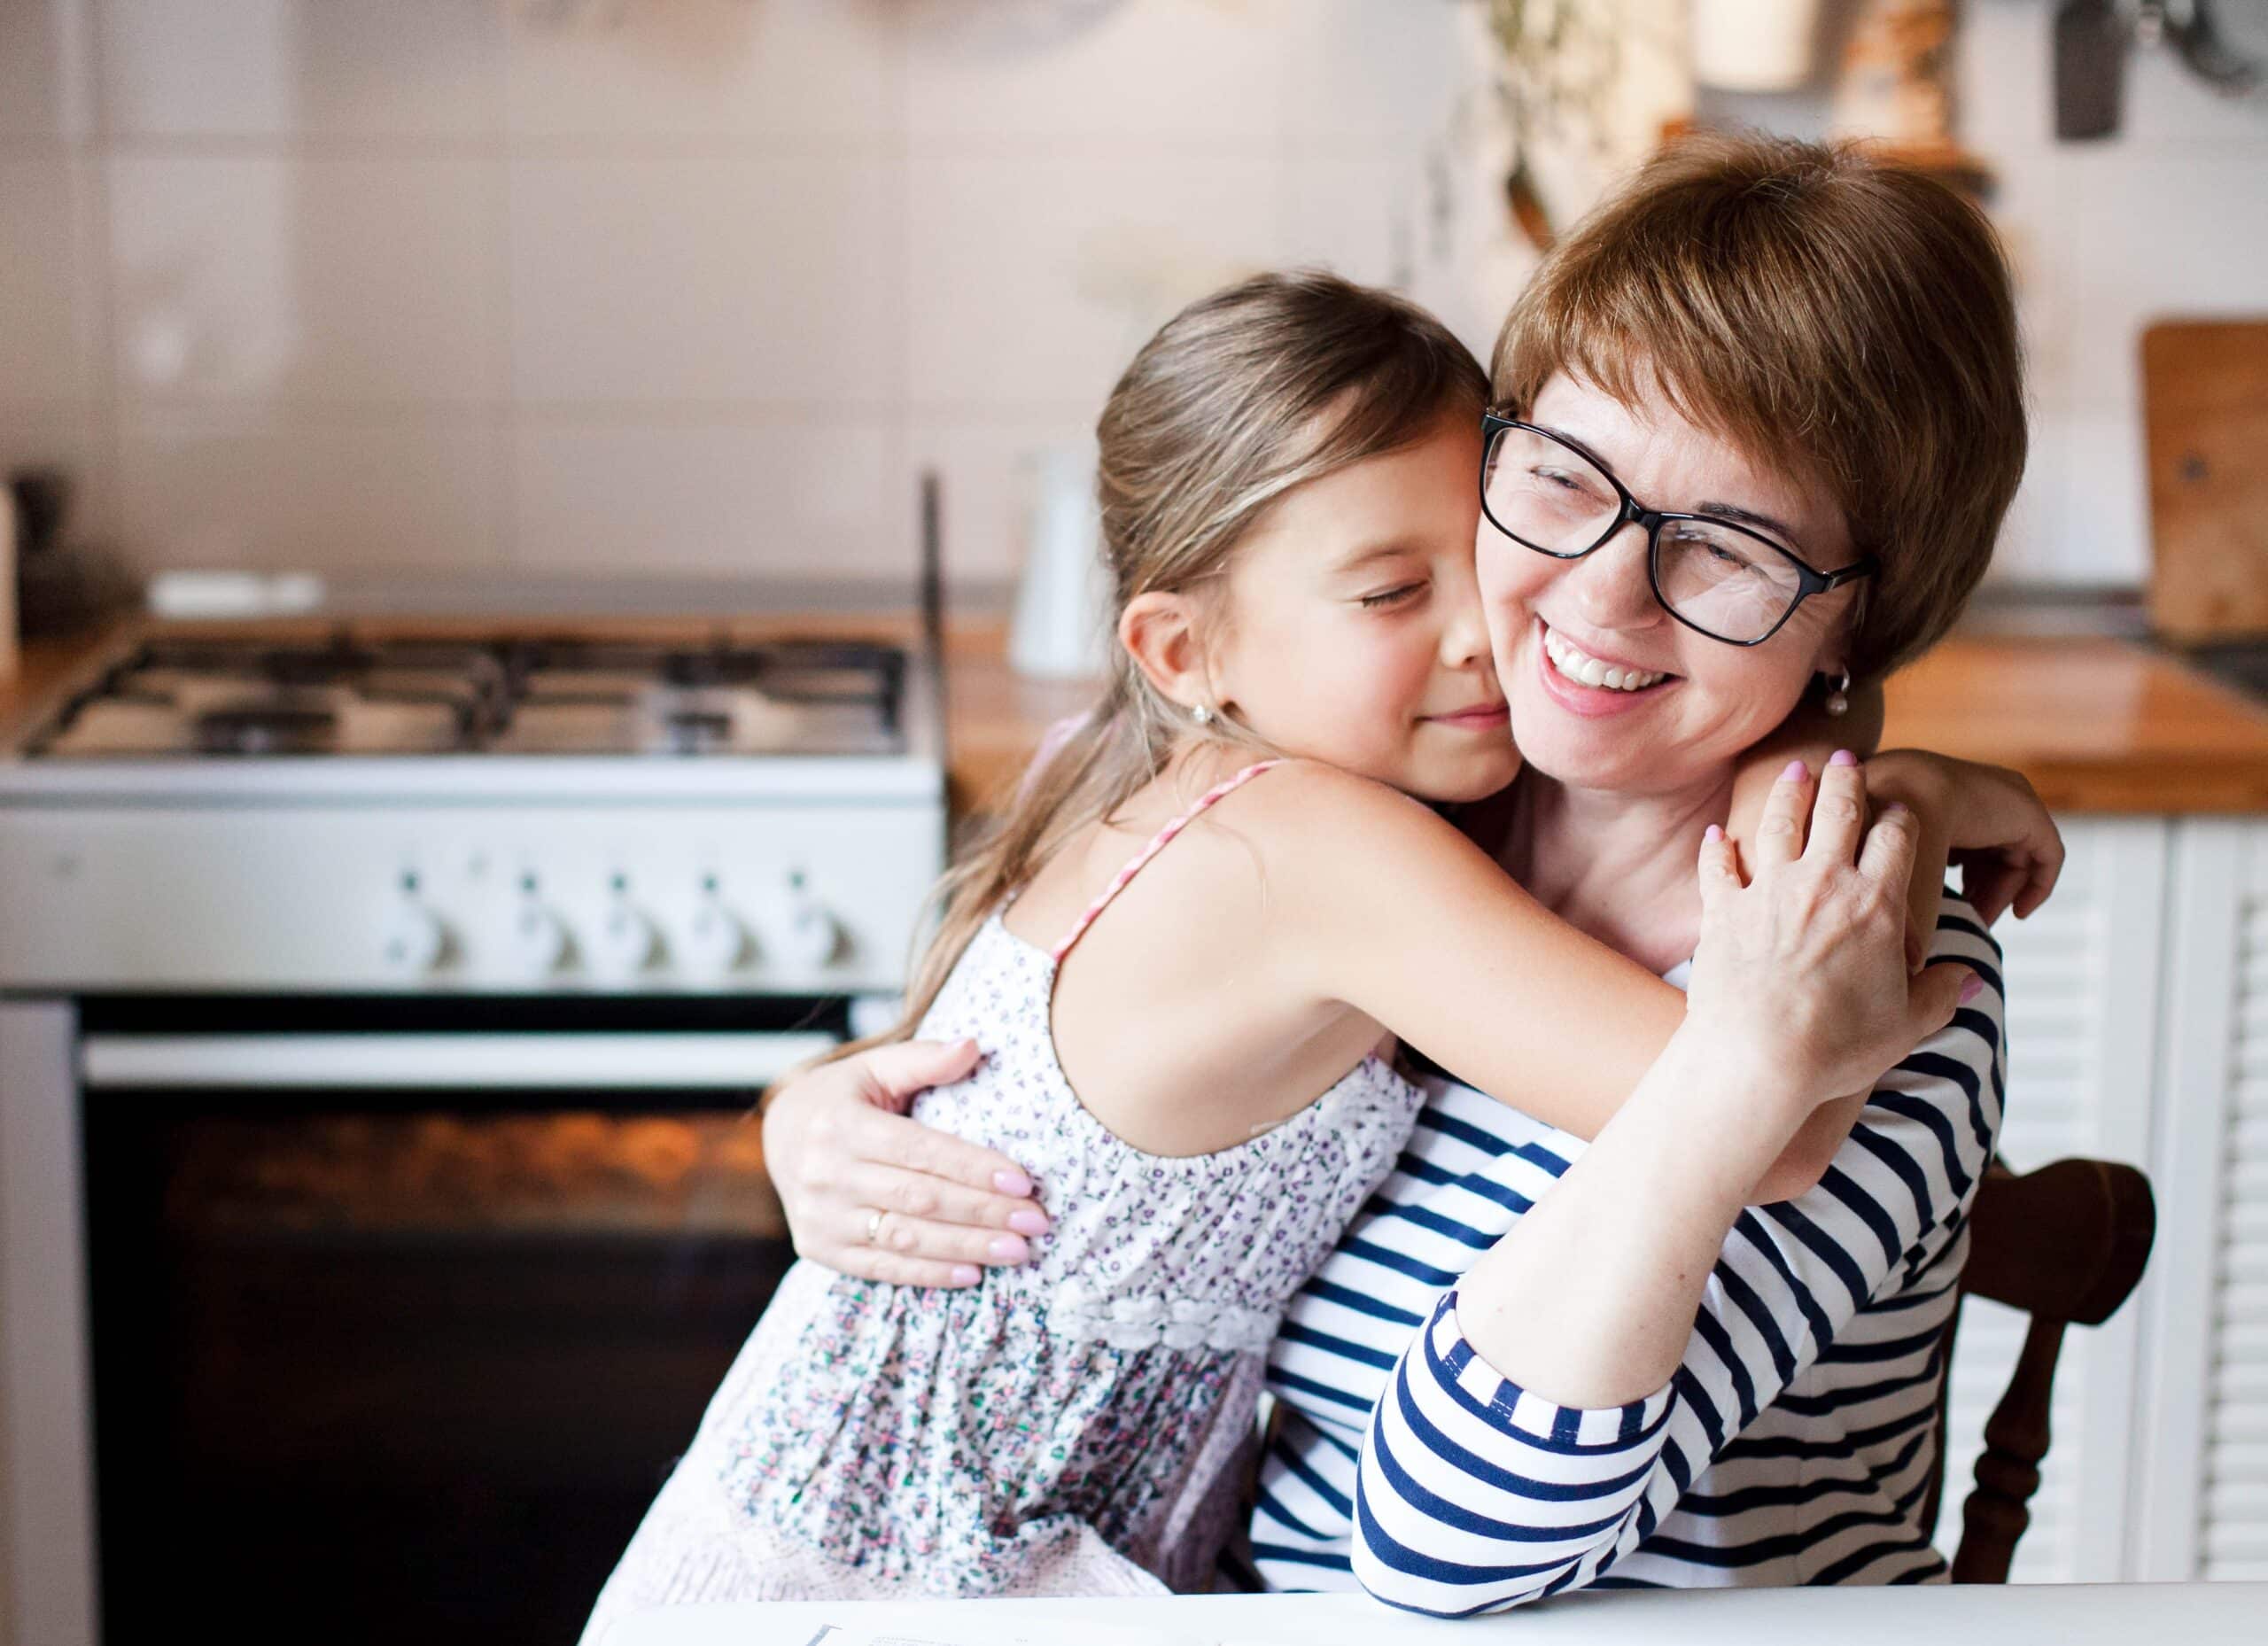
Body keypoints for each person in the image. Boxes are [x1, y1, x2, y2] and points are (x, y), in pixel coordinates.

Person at [757, 134, 2047, 1610]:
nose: (1603, 598)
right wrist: (810, 1120)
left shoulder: (1866, 989)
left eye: (1732, 548)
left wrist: (1852, 852)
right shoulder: (1436, 817)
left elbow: (1444, 1551)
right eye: (1566, 482)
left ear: (1858, 628)